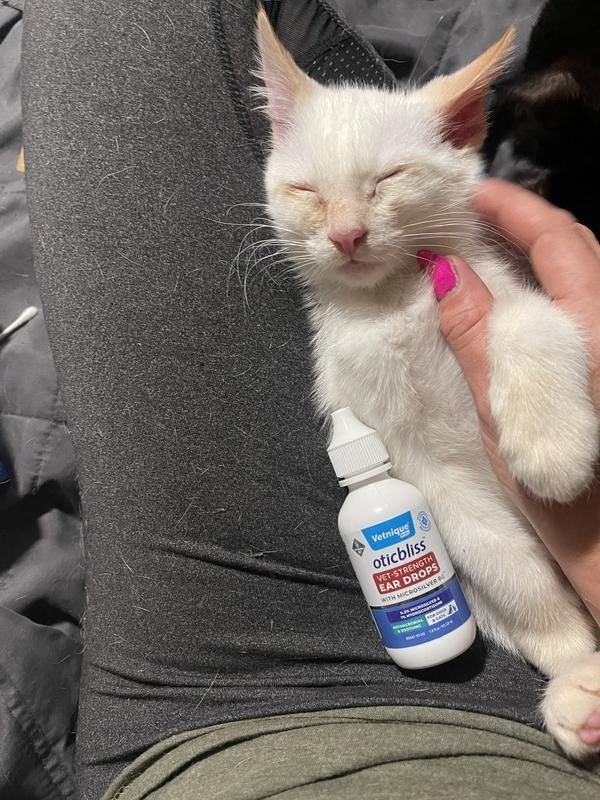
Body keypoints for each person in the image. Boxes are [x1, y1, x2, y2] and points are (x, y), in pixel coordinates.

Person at [21, 2, 599, 798]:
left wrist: (532, 365)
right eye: (306, 194)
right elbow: (440, 498)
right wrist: (566, 649)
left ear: (460, 136)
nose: (346, 229)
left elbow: (529, 324)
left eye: (386, 184)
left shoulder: (449, 253)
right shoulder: (343, 333)